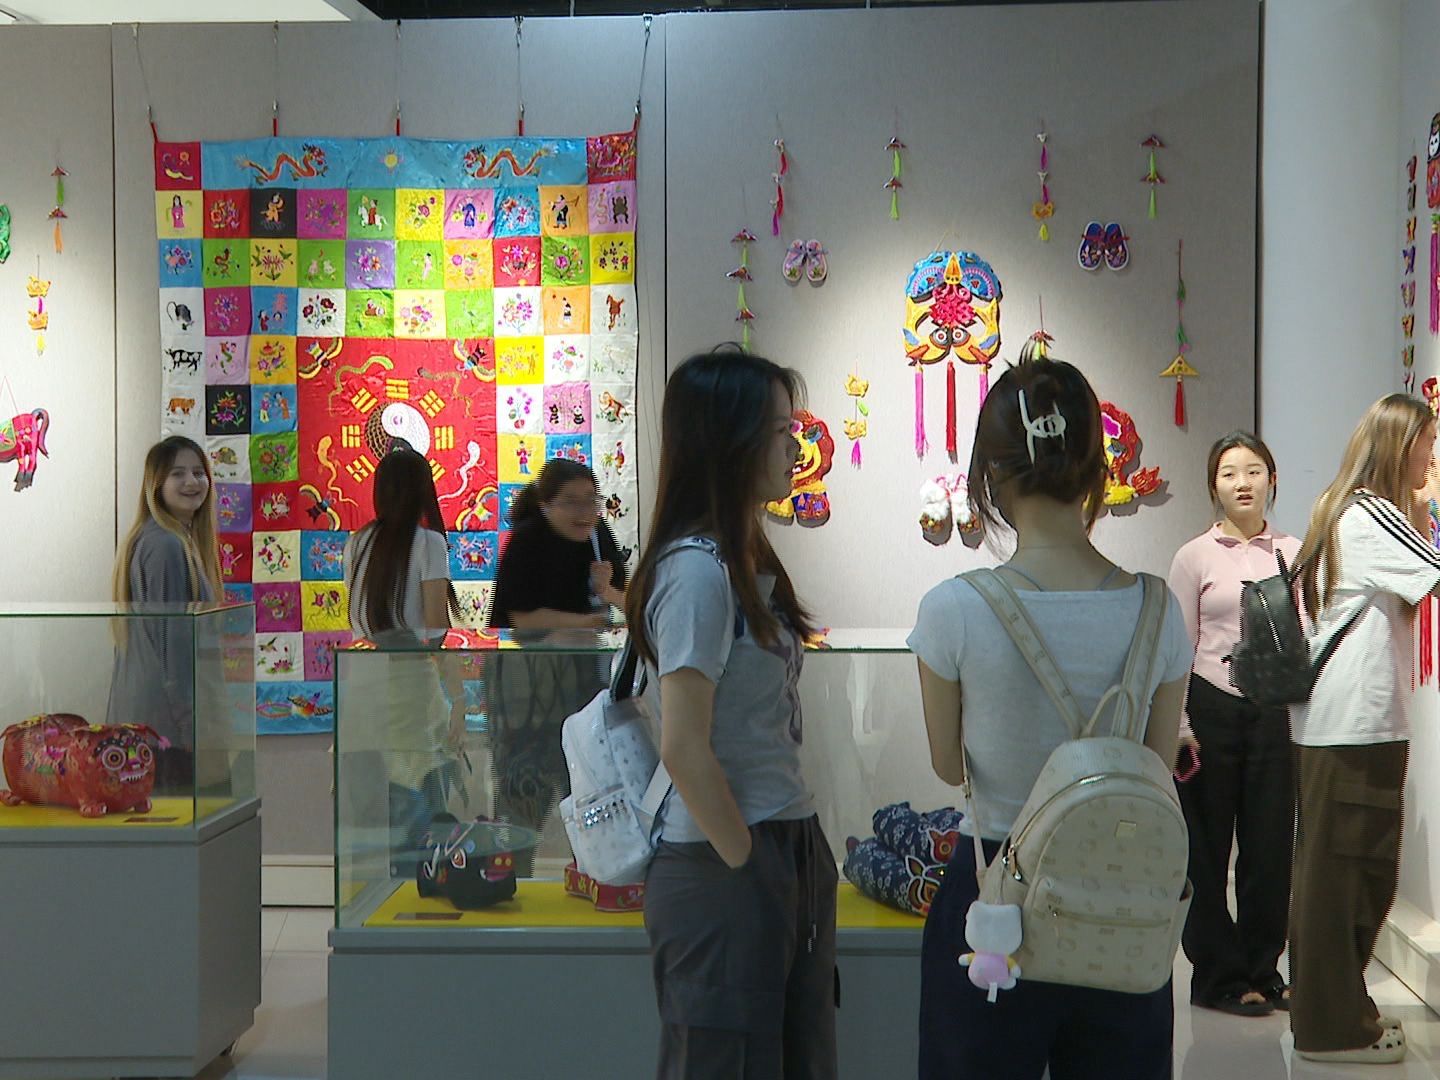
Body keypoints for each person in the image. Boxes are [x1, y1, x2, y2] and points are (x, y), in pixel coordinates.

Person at [908, 349, 1194, 1080]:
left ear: (991, 475)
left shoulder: (953, 609)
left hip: (994, 893)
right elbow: (1156, 764)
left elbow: (946, 764)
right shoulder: (1158, 609)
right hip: (1120, 892)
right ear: (1098, 470)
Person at [624, 347, 836, 1079]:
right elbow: (684, 745)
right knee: (724, 1060)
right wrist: (746, 862)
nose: (794, 447)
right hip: (726, 855)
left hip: (781, 837)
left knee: (794, 1053)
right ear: (731, 441)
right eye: (780, 430)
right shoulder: (696, 573)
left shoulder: (744, 558)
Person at [1288, 394, 1440, 1065]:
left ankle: (1340, 1014)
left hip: (1345, 724)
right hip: (1353, 726)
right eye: (1427, 441)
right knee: (1346, 877)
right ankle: (1331, 1029)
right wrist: (1431, 504)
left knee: (1343, 873)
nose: (1432, 456)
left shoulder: (1347, 509)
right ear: (1400, 446)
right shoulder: (1373, 515)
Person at [1168, 432, 1300, 1017]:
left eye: (1253, 471)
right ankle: (1217, 977)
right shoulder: (1194, 556)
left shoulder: (1295, 551)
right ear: (1213, 486)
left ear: (1272, 479)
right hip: (1209, 711)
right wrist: (1179, 725)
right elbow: (1178, 647)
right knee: (1205, 848)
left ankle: (1263, 970)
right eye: (1228, 473)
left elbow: (1306, 640)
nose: (1242, 483)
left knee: (1270, 848)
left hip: (1274, 712)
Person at [485, 459, 627, 875]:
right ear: (546, 504)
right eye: (571, 502)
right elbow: (520, 617)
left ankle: (596, 879)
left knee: (590, 792)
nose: (584, 511)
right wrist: (586, 622)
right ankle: (509, 882)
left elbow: (626, 601)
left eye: (590, 501)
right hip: (528, 692)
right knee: (522, 797)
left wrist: (607, 590)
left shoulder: (599, 536)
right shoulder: (528, 539)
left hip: (585, 686)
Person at [342, 446, 462, 875]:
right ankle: (419, 883)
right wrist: (459, 700)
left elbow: (359, 620)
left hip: (364, 682)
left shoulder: (357, 541)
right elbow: (436, 628)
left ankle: (385, 890)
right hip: (411, 681)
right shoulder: (429, 543)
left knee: (379, 798)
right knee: (421, 786)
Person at [108, 436, 223, 791]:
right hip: (166, 733)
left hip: (151, 726)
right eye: (177, 473)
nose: (192, 482)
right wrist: (191, 729)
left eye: (198, 472)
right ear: (156, 485)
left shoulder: (161, 539)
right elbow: (174, 649)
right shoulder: (166, 545)